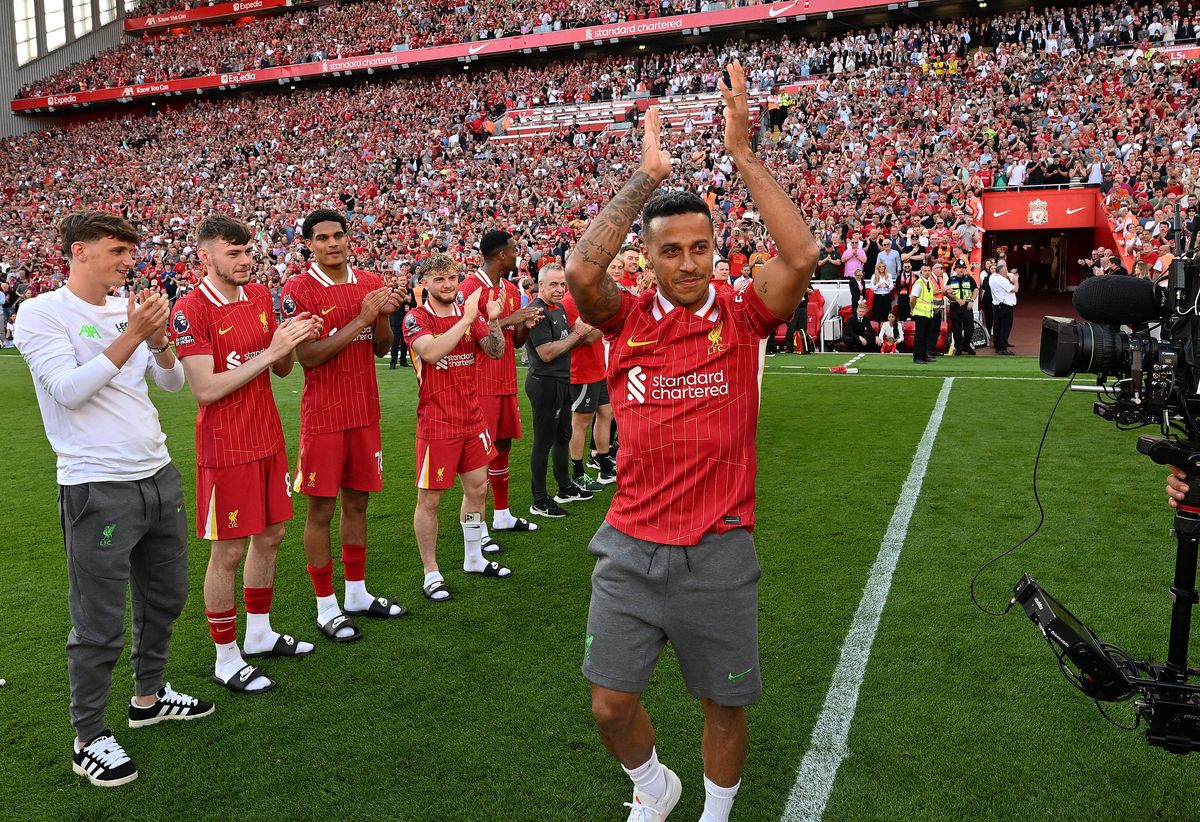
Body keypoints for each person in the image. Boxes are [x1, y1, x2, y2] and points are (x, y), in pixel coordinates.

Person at [564, 60, 817, 822]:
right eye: (669, 250)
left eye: (698, 248)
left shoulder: (743, 315)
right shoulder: (627, 318)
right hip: (630, 545)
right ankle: (653, 785)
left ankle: (715, 812)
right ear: (646, 255)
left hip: (718, 545)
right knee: (610, 706)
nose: (685, 263)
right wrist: (647, 177)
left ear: (717, 248)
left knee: (723, 706)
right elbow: (581, 269)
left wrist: (743, 154)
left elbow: (801, 258)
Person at [15, 211, 214, 787]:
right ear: (78, 251)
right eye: (116, 251)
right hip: (96, 485)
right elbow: (68, 392)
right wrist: (132, 336)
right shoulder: (43, 312)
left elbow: (172, 385)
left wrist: (159, 343)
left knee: (166, 595)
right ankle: (88, 736)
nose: (129, 262)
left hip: (157, 472)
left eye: (131, 252)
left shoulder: (126, 309)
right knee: (99, 619)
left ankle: (148, 698)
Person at [171, 215, 324, 694]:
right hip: (225, 446)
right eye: (232, 252)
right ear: (205, 256)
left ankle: (259, 633)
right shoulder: (190, 309)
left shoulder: (260, 296)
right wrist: (271, 349)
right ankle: (225, 655)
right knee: (229, 550)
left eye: (247, 251)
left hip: (267, 437)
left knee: (273, 535)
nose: (244, 260)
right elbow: (205, 388)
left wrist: (291, 341)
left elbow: (279, 370)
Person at [283, 209, 407, 643]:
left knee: (358, 506)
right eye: (322, 238)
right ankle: (325, 606)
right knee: (321, 511)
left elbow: (380, 349)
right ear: (309, 245)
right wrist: (361, 317)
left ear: (349, 238)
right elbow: (309, 357)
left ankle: (356, 593)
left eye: (338, 235)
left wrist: (385, 315)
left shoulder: (371, 282)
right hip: (324, 418)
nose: (332, 243)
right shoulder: (298, 289)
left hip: (364, 413)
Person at [402, 254, 513, 602]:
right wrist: (466, 319)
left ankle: (474, 557)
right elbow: (432, 353)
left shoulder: (472, 315)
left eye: (451, 278)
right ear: (425, 285)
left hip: (472, 418)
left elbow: (494, 352)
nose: (448, 285)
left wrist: (492, 321)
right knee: (430, 500)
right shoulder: (415, 318)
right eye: (439, 280)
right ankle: (431, 572)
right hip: (437, 423)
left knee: (478, 490)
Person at [458, 230, 545, 545]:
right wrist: (512, 318)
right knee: (479, 458)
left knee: (504, 446)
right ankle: (477, 529)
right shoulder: (469, 288)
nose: (516, 255)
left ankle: (502, 514)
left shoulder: (509, 288)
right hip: (480, 383)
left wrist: (524, 323)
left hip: (506, 380)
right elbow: (468, 333)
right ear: (500, 256)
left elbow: (514, 340)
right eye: (512, 250)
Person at [525, 263, 595, 518]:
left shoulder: (560, 308)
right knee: (543, 442)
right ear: (540, 285)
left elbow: (569, 342)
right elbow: (546, 353)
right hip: (545, 382)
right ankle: (540, 500)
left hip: (563, 379)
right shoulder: (536, 311)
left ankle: (564, 486)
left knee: (563, 436)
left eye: (562, 284)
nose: (559, 289)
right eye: (553, 284)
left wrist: (580, 334)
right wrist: (578, 335)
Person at [562, 256, 619, 492]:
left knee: (606, 412)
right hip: (581, 370)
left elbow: (596, 331)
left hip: (597, 367)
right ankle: (577, 471)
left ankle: (603, 462)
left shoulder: (588, 298)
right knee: (581, 422)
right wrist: (605, 320)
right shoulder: (571, 301)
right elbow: (592, 336)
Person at [945, 258, 977, 355]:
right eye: (959, 268)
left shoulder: (969, 278)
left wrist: (971, 301)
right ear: (955, 269)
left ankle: (967, 346)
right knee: (956, 328)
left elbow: (976, 290)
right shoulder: (951, 279)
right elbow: (946, 293)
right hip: (955, 306)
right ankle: (958, 347)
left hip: (967, 306)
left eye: (963, 268)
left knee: (969, 328)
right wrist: (957, 299)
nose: (961, 270)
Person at [991, 260, 1019, 355]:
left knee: (998, 326)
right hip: (1005, 305)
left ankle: (998, 346)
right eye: (1006, 269)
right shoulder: (1002, 280)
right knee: (1005, 327)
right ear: (1002, 272)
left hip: (997, 305)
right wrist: (1016, 281)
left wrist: (1011, 275)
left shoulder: (993, 277)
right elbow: (1015, 289)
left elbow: (1009, 275)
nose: (1007, 271)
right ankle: (1002, 348)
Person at [910, 266, 935, 364]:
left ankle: (924, 355)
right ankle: (917, 357)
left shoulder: (930, 283)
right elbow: (912, 299)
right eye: (925, 271)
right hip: (920, 313)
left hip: (928, 313)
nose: (927, 272)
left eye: (929, 271)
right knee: (920, 336)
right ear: (921, 272)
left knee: (926, 336)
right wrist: (913, 309)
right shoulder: (918, 283)